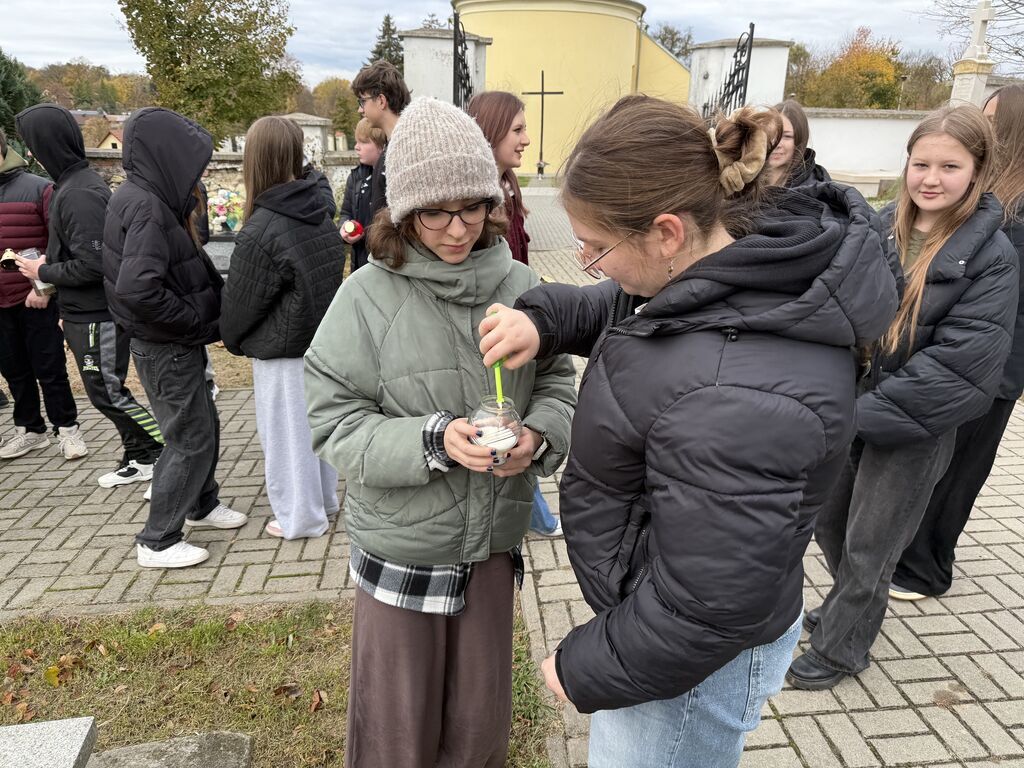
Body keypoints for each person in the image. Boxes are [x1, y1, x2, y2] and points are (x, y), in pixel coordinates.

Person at [477, 95, 897, 767]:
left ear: (667, 233)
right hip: (667, 638)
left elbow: (707, 604)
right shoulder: (724, 269)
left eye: (595, 247)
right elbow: (628, 309)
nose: (588, 262)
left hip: (681, 666)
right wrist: (544, 319)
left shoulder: (736, 393)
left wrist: (588, 665)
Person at [304, 97, 576, 768]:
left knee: (477, 727)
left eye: (473, 206)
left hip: (488, 545)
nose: (457, 228)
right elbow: (332, 421)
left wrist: (538, 439)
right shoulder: (366, 297)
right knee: (398, 733)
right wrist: (431, 440)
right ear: (402, 212)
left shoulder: (518, 283)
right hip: (403, 552)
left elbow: (561, 383)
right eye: (434, 211)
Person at [788, 105, 1018, 691]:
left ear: (977, 171)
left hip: (915, 427)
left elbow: (963, 367)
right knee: (830, 526)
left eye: (950, 166)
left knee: (873, 547)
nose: (931, 178)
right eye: (921, 163)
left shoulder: (993, 257)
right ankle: (850, 605)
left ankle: (843, 649)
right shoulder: (880, 225)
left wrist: (855, 413)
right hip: (849, 412)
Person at [890, 84, 1024, 600]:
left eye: (992, 119)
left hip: (999, 359)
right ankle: (910, 552)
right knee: (939, 463)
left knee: (962, 468)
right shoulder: (993, 198)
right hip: (964, 346)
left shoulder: (1012, 214)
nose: (984, 127)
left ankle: (927, 567)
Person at [103, 107, 248, 569]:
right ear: (167, 155)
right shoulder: (145, 206)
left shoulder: (147, 196)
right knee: (187, 438)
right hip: (167, 345)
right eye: (192, 160)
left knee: (202, 424)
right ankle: (158, 539)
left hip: (171, 342)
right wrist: (195, 321)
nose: (199, 171)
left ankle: (201, 505)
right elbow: (137, 291)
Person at [15, 103, 163, 488]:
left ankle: (169, 451)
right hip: (83, 312)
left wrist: (41, 271)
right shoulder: (71, 185)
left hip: (99, 313)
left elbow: (96, 264)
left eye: (31, 144)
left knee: (108, 393)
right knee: (105, 391)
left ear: (47, 144)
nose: (30, 154)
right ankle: (141, 456)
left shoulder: (80, 192)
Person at [220, 116, 344, 539]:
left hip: (283, 351)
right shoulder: (317, 210)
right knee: (317, 430)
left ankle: (301, 518)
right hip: (321, 344)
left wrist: (233, 340)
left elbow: (240, 306)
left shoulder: (262, 228)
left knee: (288, 438)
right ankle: (324, 503)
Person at [467, 90, 562, 537]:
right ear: (491, 133)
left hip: (521, 314)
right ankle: (540, 518)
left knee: (518, 425)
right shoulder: (480, 197)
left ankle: (537, 515)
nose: (526, 140)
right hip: (502, 318)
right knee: (505, 424)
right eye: (518, 129)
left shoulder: (508, 186)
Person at [0, 127, 84, 461]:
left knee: (49, 369)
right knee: (13, 370)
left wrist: (44, 288)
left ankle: (67, 429)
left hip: (34, 298)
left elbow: (57, 243)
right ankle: (30, 430)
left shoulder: (39, 188)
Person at [351, 60, 411, 220]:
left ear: (381, 101)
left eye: (362, 101)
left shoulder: (405, 151)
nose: (360, 109)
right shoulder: (396, 147)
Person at [338, 118, 385, 273]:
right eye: (357, 141)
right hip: (358, 262)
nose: (356, 147)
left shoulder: (389, 177)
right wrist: (344, 228)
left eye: (363, 142)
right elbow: (345, 213)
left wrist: (367, 234)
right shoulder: (355, 177)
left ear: (380, 145)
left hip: (383, 262)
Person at [766, 99, 830, 188]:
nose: (775, 144)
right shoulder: (748, 179)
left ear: (800, 139)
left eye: (787, 136)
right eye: (770, 134)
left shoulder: (815, 190)